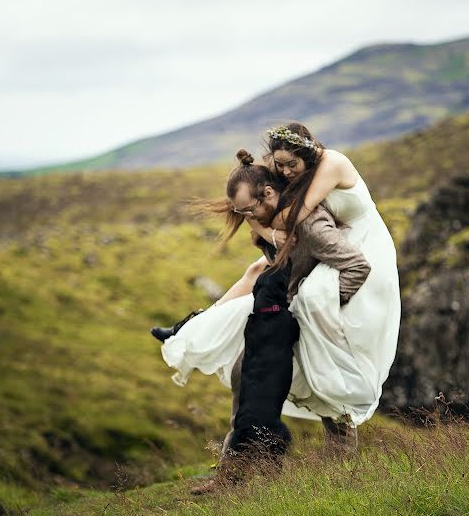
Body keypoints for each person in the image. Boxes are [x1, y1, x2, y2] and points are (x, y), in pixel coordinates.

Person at [157, 122, 401, 427]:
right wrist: (262, 228)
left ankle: (337, 383)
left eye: (291, 165)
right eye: (279, 164)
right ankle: (196, 322)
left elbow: (295, 213)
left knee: (310, 298)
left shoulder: (332, 163)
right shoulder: (287, 168)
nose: (285, 171)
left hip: (362, 240)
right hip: (329, 237)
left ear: (308, 152)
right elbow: (254, 198)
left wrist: (268, 230)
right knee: (256, 270)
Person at [187, 151, 370, 493]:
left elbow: (357, 267)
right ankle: (231, 477)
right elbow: (259, 266)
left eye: (248, 211)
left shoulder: (311, 224)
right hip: (279, 317)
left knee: (329, 390)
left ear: (269, 194)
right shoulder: (270, 223)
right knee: (245, 375)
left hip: (312, 316)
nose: (245, 219)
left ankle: (339, 479)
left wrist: (325, 306)